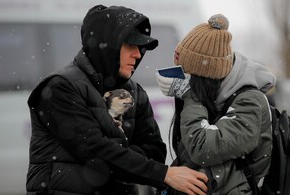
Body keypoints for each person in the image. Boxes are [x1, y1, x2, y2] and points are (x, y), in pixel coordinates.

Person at [26, 5, 208, 195]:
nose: (138, 54)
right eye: (130, 45)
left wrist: (117, 157)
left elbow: (155, 152)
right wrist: (162, 174)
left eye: (140, 47)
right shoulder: (59, 87)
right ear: (107, 46)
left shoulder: (135, 93)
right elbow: (93, 151)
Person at [156, 14, 276, 194]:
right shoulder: (213, 99)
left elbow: (203, 148)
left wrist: (190, 95)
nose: (184, 80)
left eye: (188, 75)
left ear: (205, 77)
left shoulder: (250, 102)